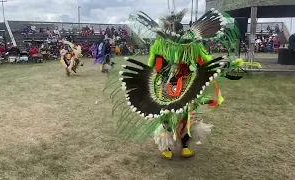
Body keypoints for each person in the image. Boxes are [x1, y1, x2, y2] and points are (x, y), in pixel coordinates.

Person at [103, 8, 262, 160]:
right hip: (168, 83)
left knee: (185, 114)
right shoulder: (167, 43)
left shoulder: (185, 43)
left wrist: (221, 66)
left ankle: (181, 146)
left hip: (184, 82)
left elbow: (201, 61)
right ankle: (169, 147)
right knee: (168, 114)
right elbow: (159, 64)